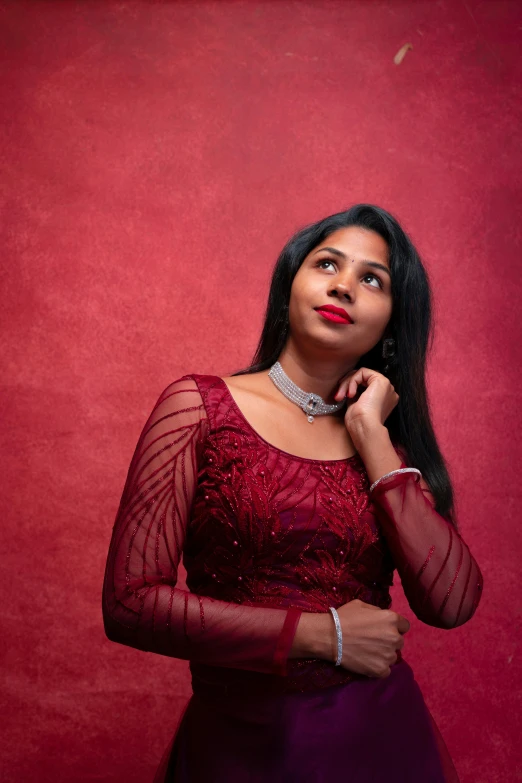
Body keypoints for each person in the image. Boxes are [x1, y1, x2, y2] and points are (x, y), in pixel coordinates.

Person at [102, 204, 483, 782]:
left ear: (391, 325)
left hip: (380, 745)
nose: (343, 285)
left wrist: (372, 438)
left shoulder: (388, 449)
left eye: (372, 279)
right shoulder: (197, 409)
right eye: (327, 263)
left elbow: (451, 604)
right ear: (290, 287)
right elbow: (130, 604)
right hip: (239, 750)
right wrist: (321, 635)